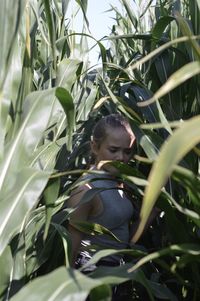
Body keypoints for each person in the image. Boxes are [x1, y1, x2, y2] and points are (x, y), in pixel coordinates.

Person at [67, 113, 158, 299]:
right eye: (113, 149)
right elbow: (70, 251)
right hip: (92, 279)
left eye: (127, 151)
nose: (121, 157)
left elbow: (123, 240)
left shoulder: (115, 180)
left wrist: (152, 211)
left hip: (116, 274)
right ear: (95, 146)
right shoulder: (86, 190)